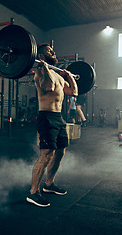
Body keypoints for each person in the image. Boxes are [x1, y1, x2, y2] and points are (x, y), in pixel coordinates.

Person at [26, 44, 78, 207]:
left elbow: (74, 92)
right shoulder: (40, 72)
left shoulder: (58, 76)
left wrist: (69, 75)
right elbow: (48, 87)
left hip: (59, 117)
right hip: (46, 117)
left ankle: (49, 184)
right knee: (47, 154)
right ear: (41, 55)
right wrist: (45, 67)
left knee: (60, 151)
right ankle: (34, 192)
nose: (53, 52)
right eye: (49, 50)